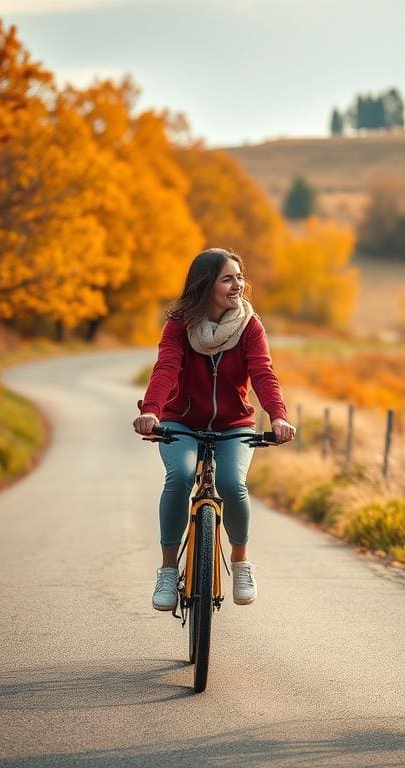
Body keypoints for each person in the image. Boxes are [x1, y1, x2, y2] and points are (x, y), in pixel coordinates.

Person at [133, 248, 295, 612]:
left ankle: (240, 562)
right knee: (180, 475)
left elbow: (263, 373)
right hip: (180, 421)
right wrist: (151, 411)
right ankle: (166, 568)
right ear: (206, 285)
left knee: (232, 484)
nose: (237, 285)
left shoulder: (250, 325)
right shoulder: (179, 324)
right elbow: (166, 368)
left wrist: (279, 416)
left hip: (234, 424)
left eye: (239, 277)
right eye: (228, 278)